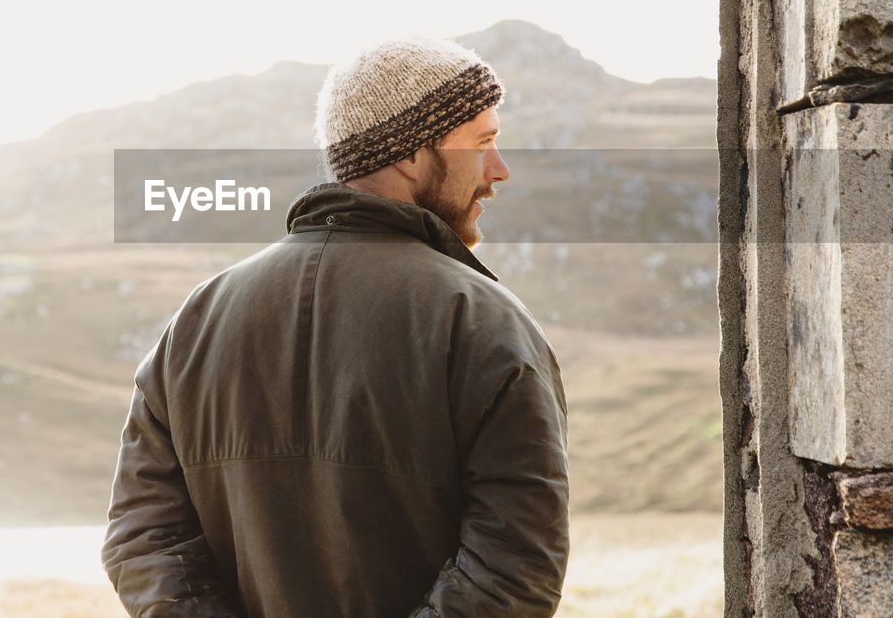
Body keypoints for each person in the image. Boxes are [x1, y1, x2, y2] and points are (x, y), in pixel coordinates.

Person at [102, 37, 570, 617]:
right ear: (410, 154)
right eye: (483, 143)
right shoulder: (483, 320)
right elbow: (517, 563)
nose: (499, 170)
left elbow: (143, 537)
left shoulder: (195, 321)